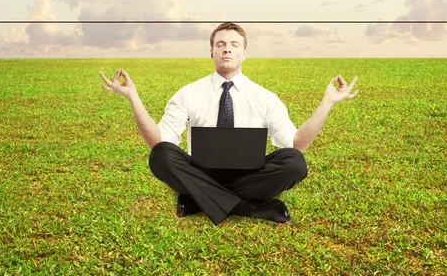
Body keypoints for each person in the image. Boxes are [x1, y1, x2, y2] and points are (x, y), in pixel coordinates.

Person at [99, 22, 358, 225]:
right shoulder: (188, 93)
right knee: (160, 155)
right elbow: (160, 141)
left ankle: (199, 201)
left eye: (234, 44)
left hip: (249, 175)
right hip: (200, 172)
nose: (227, 49)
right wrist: (133, 97)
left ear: (244, 53)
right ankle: (251, 208)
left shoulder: (265, 97)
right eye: (221, 44)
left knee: (294, 162)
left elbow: (296, 144)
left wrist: (327, 103)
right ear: (211, 51)